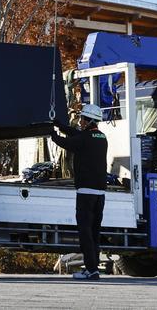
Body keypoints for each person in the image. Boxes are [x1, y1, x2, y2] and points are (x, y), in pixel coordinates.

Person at [50, 103, 108, 281]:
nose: (80, 121)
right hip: (99, 194)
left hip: (86, 193)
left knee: (85, 233)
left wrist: (53, 135)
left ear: (90, 121)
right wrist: (61, 126)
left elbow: (68, 142)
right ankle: (94, 268)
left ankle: (90, 270)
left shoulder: (85, 139)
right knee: (94, 233)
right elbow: (77, 135)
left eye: (83, 118)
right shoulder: (101, 137)